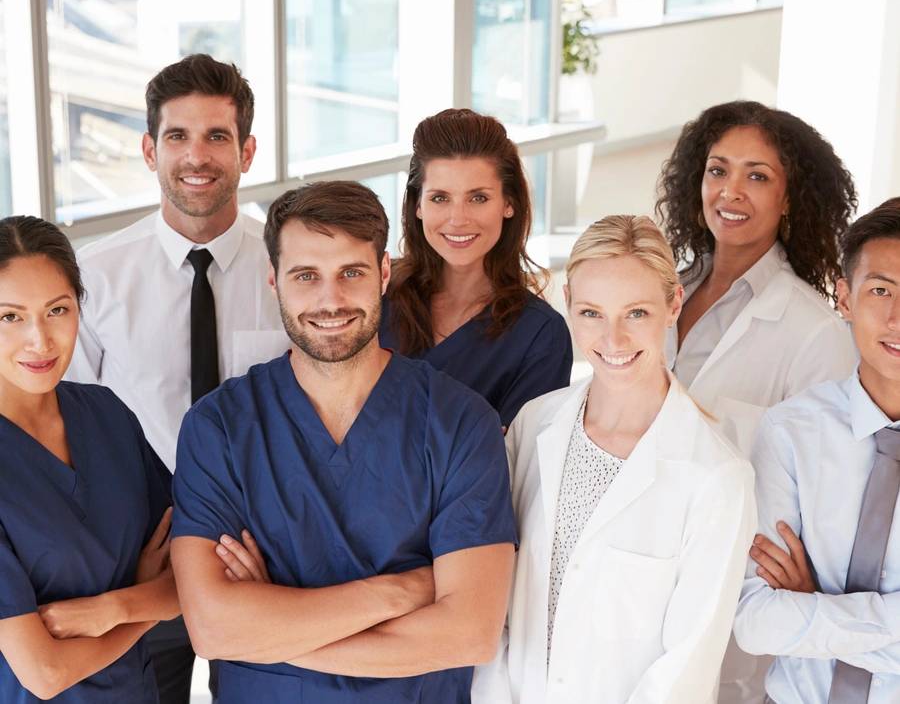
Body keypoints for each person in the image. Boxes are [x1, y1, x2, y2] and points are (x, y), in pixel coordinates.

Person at [170, 181, 517, 703]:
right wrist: (402, 590)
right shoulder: (219, 427)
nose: (329, 301)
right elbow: (214, 629)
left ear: (382, 275)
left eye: (350, 273)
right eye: (306, 276)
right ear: (274, 281)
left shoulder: (460, 423)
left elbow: (469, 633)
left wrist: (269, 627)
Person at [66, 54, 287, 702]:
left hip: (263, 553)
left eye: (217, 136)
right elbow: (69, 428)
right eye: (178, 137)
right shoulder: (96, 277)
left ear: (247, 150)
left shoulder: (291, 270)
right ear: (148, 148)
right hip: (142, 555)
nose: (198, 156)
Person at [473, 215, 756, 704]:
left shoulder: (716, 476)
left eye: (637, 313)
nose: (614, 339)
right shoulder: (533, 425)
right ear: (568, 307)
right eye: (591, 313)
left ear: (674, 305)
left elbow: (686, 666)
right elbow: (495, 603)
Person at [656, 101, 858, 704]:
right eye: (718, 170)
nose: (731, 191)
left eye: (758, 175)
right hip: (645, 555)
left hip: (733, 579)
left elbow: (829, 482)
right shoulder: (667, 288)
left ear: (791, 199)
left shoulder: (815, 331)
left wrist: (807, 578)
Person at [0, 216, 177, 703]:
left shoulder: (107, 415)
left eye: (57, 310)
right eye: (10, 317)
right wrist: (144, 606)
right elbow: (45, 672)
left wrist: (114, 608)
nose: (40, 340)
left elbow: (188, 577)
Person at [735, 197, 900, 704]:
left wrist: (812, 604)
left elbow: (784, 618)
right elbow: (755, 623)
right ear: (844, 298)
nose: (897, 318)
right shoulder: (789, 431)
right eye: (881, 291)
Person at [381, 108, 572, 428]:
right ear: (418, 205)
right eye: (440, 198)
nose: (458, 219)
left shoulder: (540, 336)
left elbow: (516, 463)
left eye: (478, 198)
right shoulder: (375, 293)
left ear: (508, 203)